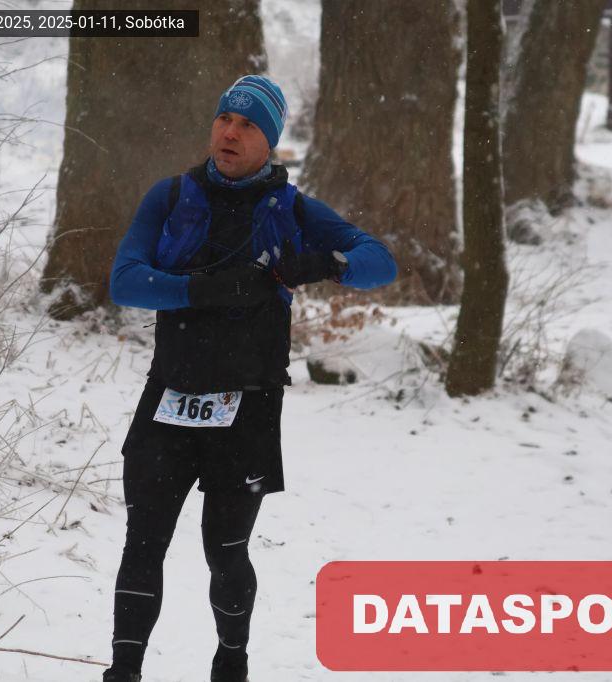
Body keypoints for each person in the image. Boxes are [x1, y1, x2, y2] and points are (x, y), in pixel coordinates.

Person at [102, 75, 397, 682]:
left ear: (271, 142)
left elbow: (380, 263)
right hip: (170, 396)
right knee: (143, 542)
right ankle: (122, 673)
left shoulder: (292, 210)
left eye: (247, 125)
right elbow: (125, 280)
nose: (230, 133)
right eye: (224, 119)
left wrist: (323, 262)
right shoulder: (172, 196)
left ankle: (230, 665)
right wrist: (199, 290)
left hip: (248, 406)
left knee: (225, 551)